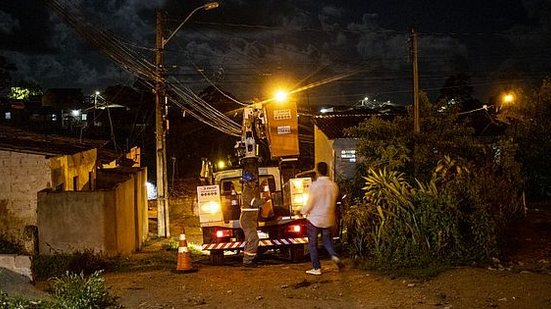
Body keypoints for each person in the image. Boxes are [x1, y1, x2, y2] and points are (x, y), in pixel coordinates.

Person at [300, 161, 344, 275]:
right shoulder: (333, 185)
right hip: (328, 218)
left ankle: (316, 268)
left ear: (317, 171)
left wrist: (302, 211)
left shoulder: (314, 186)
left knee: (312, 244)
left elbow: (310, 203)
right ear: (327, 170)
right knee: (327, 241)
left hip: (314, 218)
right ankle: (334, 256)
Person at [240, 183, 271, 268]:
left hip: (250, 220)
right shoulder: (247, 192)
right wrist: (265, 199)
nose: (254, 183)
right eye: (253, 181)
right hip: (247, 220)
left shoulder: (250, 191)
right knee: (254, 239)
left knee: (249, 240)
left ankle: (247, 260)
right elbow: (254, 203)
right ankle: (248, 260)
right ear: (248, 182)